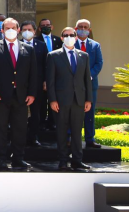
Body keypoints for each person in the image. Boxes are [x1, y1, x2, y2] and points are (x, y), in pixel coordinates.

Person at [0, 18, 38, 171]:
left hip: (21, 97)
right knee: (0, 129)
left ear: (18, 29)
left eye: (13, 27)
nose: (10, 30)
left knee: (20, 129)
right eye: (7, 28)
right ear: (2, 30)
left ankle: (18, 158)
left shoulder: (28, 49)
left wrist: (32, 93)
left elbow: (33, 73)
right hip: (0, 97)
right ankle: (1, 159)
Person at [46, 27, 92, 171]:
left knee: (77, 132)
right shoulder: (53, 56)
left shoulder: (84, 56)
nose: (69, 37)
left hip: (79, 100)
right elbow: (50, 80)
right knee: (61, 131)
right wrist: (52, 100)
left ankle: (77, 160)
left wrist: (88, 100)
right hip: (60, 101)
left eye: (71, 35)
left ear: (76, 37)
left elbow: (87, 80)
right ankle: (63, 160)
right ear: (61, 38)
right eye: (66, 35)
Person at [76, 19, 104, 149]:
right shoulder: (71, 44)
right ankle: (71, 137)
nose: (83, 29)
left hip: (91, 85)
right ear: (76, 29)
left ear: (89, 30)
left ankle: (90, 139)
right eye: (80, 27)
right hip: (74, 84)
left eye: (85, 27)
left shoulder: (95, 45)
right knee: (73, 111)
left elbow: (99, 63)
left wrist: (89, 76)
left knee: (90, 113)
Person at [21, 20, 48, 147]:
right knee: (19, 112)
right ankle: (19, 136)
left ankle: (33, 137)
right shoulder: (17, 44)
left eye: (30, 30)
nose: (27, 32)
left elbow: (46, 64)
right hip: (20, 84)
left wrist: (45, 81)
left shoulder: (41, 45)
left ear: (35, 30)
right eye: (24, 30)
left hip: (37, 84)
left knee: (36, 112)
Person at [36, 18, 62, 131]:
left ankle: (53, 122)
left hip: (56, 76)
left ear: (52, 26)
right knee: (41, 101)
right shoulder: (36, 40)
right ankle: (41, 123)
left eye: (48, 25)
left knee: (54, 99)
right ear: (39, 28)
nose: (46, 27)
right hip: (42, 75)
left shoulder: (58, 40)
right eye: (43, 25)